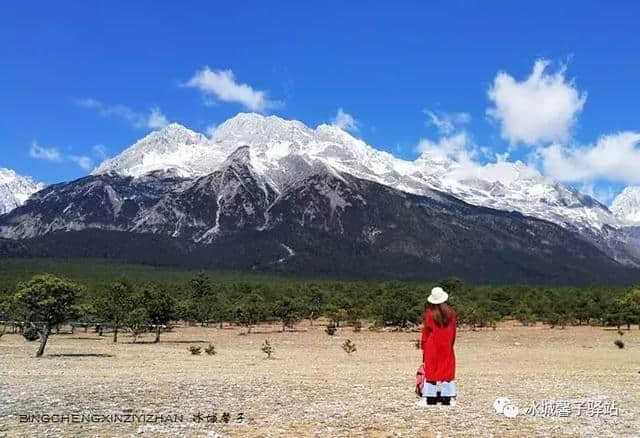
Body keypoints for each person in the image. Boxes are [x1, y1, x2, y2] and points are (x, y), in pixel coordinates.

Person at [416, 286, 457, 407]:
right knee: (447, 370)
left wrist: (423, 345)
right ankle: (449, 398)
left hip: (432, 345)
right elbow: (453, 331)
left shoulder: (430, 314)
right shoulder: (451, 313)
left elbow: (426, 332)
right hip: (446, 345)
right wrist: (450, 344)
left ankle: (428, 398)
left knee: (431, 371)